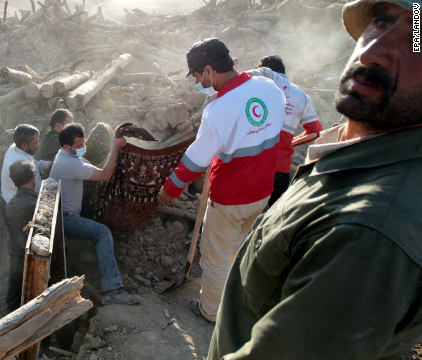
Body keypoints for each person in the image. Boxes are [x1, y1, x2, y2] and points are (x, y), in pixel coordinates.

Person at [208, 1, 422, 359]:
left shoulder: (366, 230)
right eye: (381, 21)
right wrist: (291, 145)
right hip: (277, 174)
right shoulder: (345, 154)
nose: (371, 52)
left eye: (416, 40)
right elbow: (315, 130)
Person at [157, 38, 285, 323]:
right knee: (239, 248)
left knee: (214, 257)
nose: (197, 83)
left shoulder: (219, 110)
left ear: (209, 70)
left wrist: (170, 190)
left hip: (230, 198)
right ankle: (237, 296)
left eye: (196, 76)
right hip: (262, 191)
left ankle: (212, 311)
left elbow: (195, 161)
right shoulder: (269, 88)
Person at [50, 123, 141, 305]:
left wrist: (114, 155)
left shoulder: (68, 156)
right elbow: (105, 175)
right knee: (102, 232)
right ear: (67, 147)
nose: (83, 148)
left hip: (66, 215)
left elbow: (98, 168)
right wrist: (115, 148)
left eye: (83, 144)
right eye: (79, 146)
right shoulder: (68, 163)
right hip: (65, 219)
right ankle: (112, 290)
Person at [248, 55, 323, 206]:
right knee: (270, 219)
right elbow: (315, 131)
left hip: (255, 166)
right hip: (280, 171)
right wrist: (291, 142)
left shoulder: (266, 76)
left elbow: (240, 78)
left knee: (242, 217)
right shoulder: (302, 96)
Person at [5, 160, 38, 312]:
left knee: (14, 297)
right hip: (30, 259)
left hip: (15, 256)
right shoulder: (33, 204)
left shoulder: (11, 203)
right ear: (33, 177)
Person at [0, 124, 49, 217]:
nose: (39, 145)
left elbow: (33, 161)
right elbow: (40, 190)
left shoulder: (15, 147)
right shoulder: (23, 167)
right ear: (24, 145)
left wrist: (49, 163)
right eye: (35, 143)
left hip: (10, 200)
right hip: (17, 210)